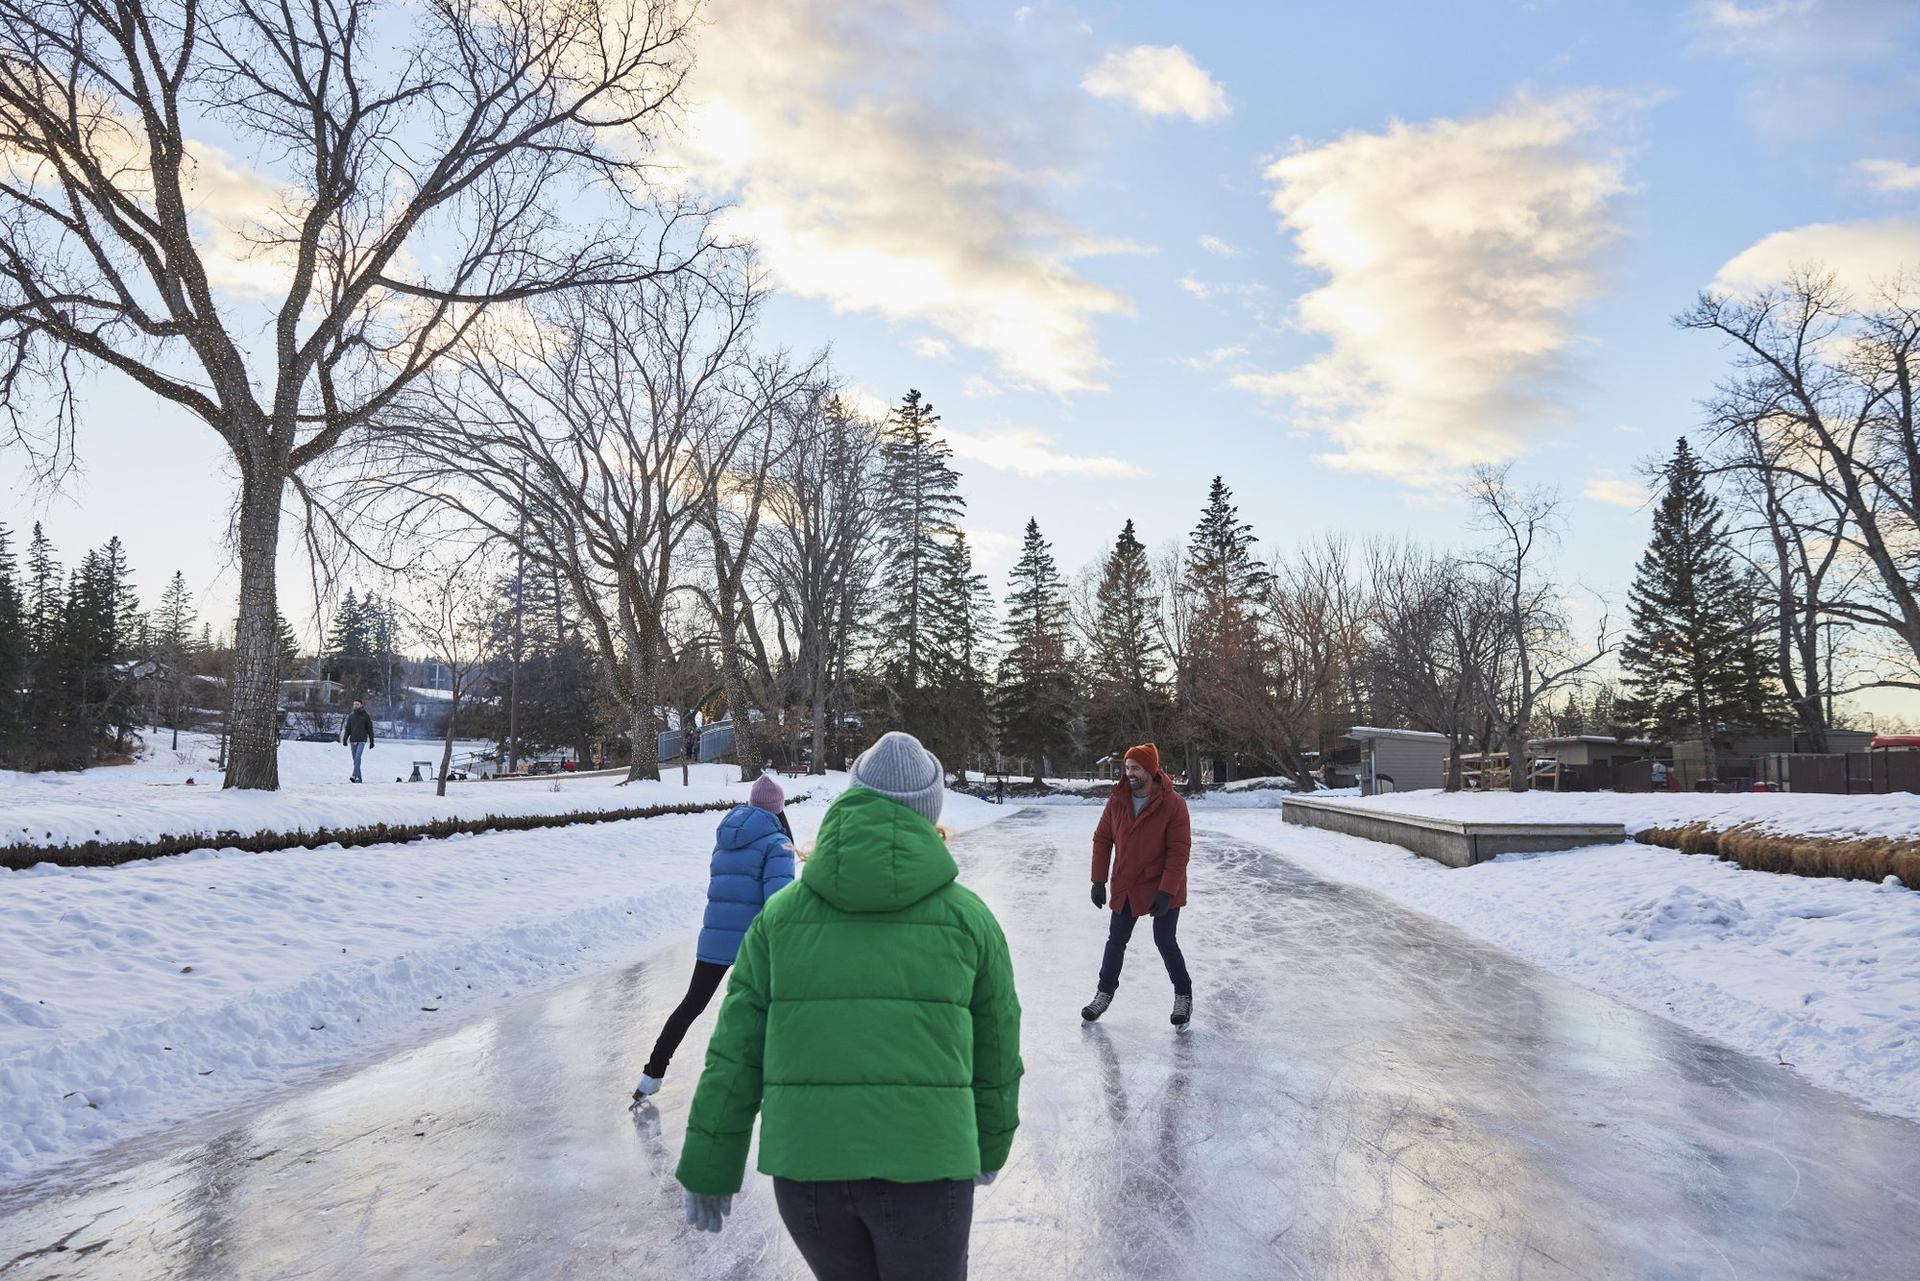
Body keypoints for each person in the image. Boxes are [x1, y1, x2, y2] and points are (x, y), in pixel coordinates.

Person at [676, 731, 1022, 1281]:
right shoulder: (970, 920)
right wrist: (990, 1144)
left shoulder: (780, 918)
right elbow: (998, 1048)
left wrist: (709, 1163)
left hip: (810, 1173)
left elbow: (735, 1050)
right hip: (927, 1169)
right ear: (928, 812)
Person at [633, 775, 795, 1100]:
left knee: (691, 1004)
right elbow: (779, 903)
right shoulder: (778, 844)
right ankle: (780, 1080)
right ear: (778, 809)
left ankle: (651, 1075)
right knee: (777, 1006)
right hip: (755, 943)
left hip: (715, 938)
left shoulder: (727, 836)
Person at [1083, 742, 1193, 1030]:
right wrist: (1098, 880)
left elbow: (1179, 851)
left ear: (1150, 770)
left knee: (1165, 940)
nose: (1129, 773)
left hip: (1163, 885)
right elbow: (1102, 839)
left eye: (1136, 768)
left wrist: (1167, 891)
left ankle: (1183, 994)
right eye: (1127, 767)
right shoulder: (1117, 799)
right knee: (1116, 940)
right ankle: (1103, 994)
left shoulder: (1173, 804)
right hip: (1128, 883)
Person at [341, 699, 375, 784]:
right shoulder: (351, 716)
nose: (355, 706)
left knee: (357, 757)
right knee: (355, 760)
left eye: (357, 704)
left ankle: (354, 775)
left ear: (361, 705)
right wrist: (345, 739)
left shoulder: (365, 716)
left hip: (362, 740)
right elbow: (348, 729)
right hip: (353, 740)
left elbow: (370, 729)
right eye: (354, 704)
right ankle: (359, 779)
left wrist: (371, 741)